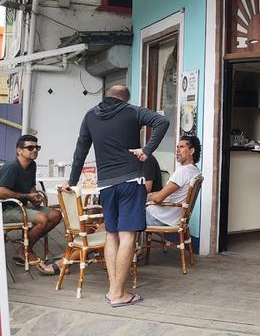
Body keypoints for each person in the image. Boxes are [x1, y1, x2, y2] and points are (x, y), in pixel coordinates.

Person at [64, 85, 169, 308]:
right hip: (131, 181)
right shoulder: (132, 111)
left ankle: (113, 290)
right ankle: (119, 294)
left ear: (108, 96)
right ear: (125, 99)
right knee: (128, 236)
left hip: (106, 185)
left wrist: (72, 181)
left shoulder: (91, 115)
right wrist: (147, 150)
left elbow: (80, 149)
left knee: (111, 235)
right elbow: (163, 122)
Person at [0, 135, 62, 275]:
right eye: (30, 147)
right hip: (5, 209)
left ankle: (27, 246)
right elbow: (1, 192)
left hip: (22, 207)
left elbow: (30, 188)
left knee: (56, 215)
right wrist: (26, 196)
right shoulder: (11, 167)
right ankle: (25, 251)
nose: (34, 150)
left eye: (37, 147)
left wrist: (34, 196)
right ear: (19, 151)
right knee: (42, 219)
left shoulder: (31, 165)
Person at [146, 136, 201, 227]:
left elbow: (159, 198)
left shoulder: (183, 171)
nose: (177, 150)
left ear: (191, 151)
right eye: (177, 147)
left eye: (182, 147)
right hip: (173, 218)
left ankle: (125, 241)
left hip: (159, 217)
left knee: (121, 215)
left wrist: (145, 197)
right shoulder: (195, 171)